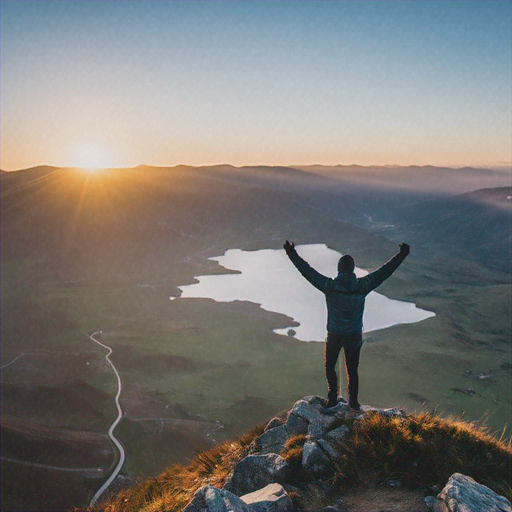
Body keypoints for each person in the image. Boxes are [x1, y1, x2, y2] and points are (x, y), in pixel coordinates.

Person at [283, 240, 410, 410]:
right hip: (354, 336)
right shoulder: (363, 285)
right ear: (352, 270)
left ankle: (332, 399)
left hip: (334, 334)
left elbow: (307, 272)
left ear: (339, 269)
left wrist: (291, 253)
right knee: (352, 370)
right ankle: (354, 403)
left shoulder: (329, 286)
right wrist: (402, 254)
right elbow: (385, 271)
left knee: (330, 365)